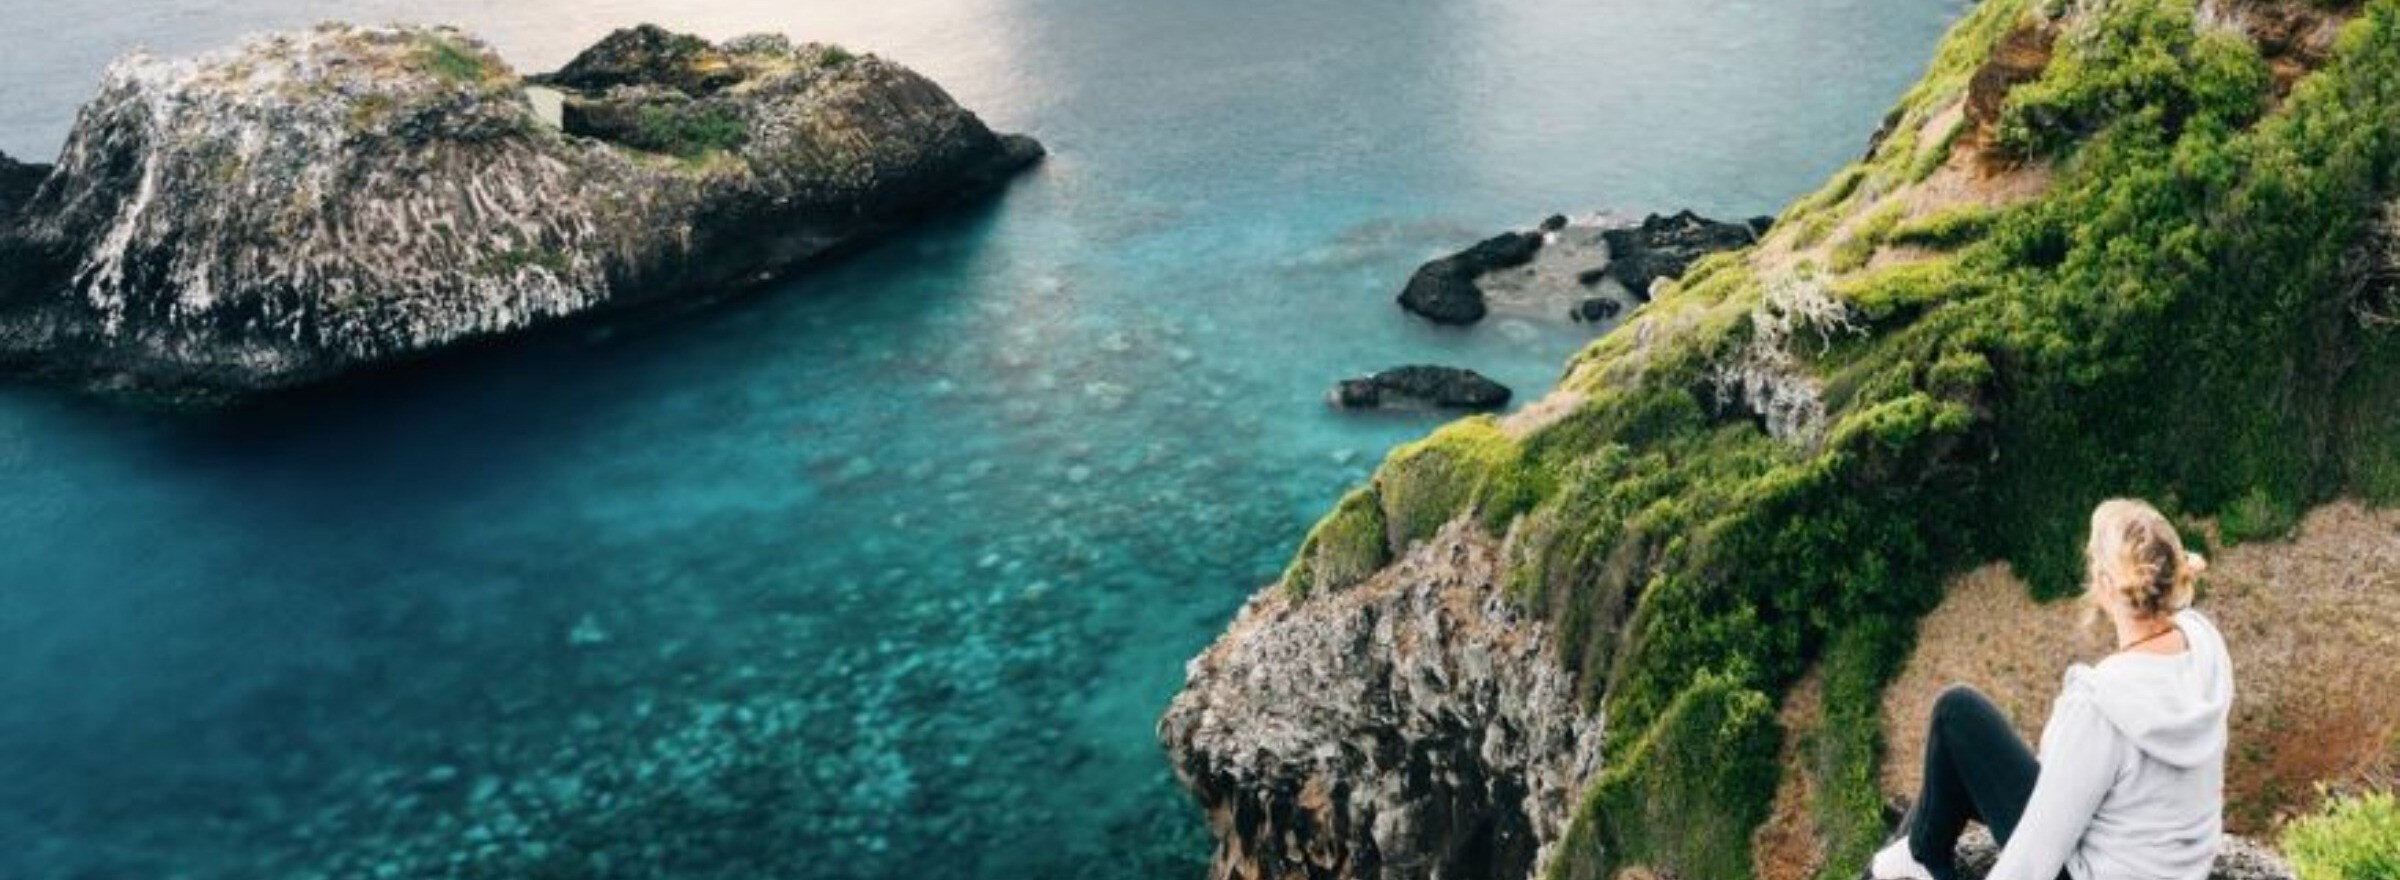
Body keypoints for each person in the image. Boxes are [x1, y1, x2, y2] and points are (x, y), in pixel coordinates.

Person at [1870, 499, 2233, 880]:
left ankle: (1921, 854)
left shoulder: (2100, 705)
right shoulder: (2206, 646)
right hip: (2175, 865)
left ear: (2106, 584)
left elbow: (2032, 861)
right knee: (1960, 765)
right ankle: (1921, 850)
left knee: (1956, 714)